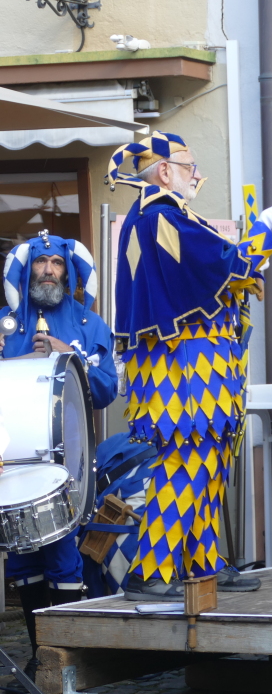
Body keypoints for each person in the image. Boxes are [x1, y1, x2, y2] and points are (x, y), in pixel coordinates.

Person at [107, 131, 272, 600]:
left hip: (197, 368)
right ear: (163, 171)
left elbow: (212, 274)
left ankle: (204, 565)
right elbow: (228, 266)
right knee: (185, 466)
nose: (197, 174)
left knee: (207, 465)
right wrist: (265, 227)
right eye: (189, 165)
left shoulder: (161, 218)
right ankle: (150, 572)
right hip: (184, 370)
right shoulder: (163, 217)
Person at [0, 231, 117, 680]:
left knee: (64, 558)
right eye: (41, 263)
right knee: (25, 559)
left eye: (57, 264)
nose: (48, 271)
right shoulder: (6, 324)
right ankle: (37, 654)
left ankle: (65, 655)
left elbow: (108, 390)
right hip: (14, 462)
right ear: (28, 269)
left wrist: (71, 356)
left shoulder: (88, 324)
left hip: (68, 461)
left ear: (68, 272)